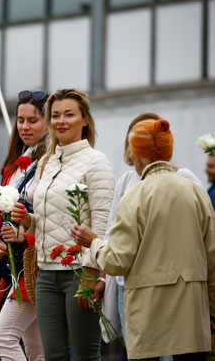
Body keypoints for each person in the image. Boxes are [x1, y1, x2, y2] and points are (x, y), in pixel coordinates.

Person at [72, 118, 215, 361]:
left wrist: (93, 243)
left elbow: (118, 261)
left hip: (148, 316)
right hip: (192, 313)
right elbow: (212, 256)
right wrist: (211, 309)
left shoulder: (135, 195)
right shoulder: (196, 192)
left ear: (137, 155)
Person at [17, 88, 114, 360]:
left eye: (69, 114)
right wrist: (27, 220)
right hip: (45, 273)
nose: (61, 121)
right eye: (55, 115)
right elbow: (45, 220)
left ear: (84, 119)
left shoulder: (97, 162)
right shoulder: (46, 161)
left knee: (85, 355)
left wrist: (92, 272)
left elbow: (103, 225)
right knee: (54, 356)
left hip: (79, 273)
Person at [99, 113, 201, 351]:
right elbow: (110, 233)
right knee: (137, 351)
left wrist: (93, 246)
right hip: (129, 285)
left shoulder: (184, 178)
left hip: (175, 286)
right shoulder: (125, 182)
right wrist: (103, 277)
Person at [0, 90, 48, 361]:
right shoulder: (14, 165)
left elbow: (55, 217)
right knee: (35, 348)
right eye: (20, 120)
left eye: (32, 120)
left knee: (3, 337)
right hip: (15, 263)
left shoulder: (49, 162)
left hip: (37, 261)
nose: (24, 127)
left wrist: (24, 236)